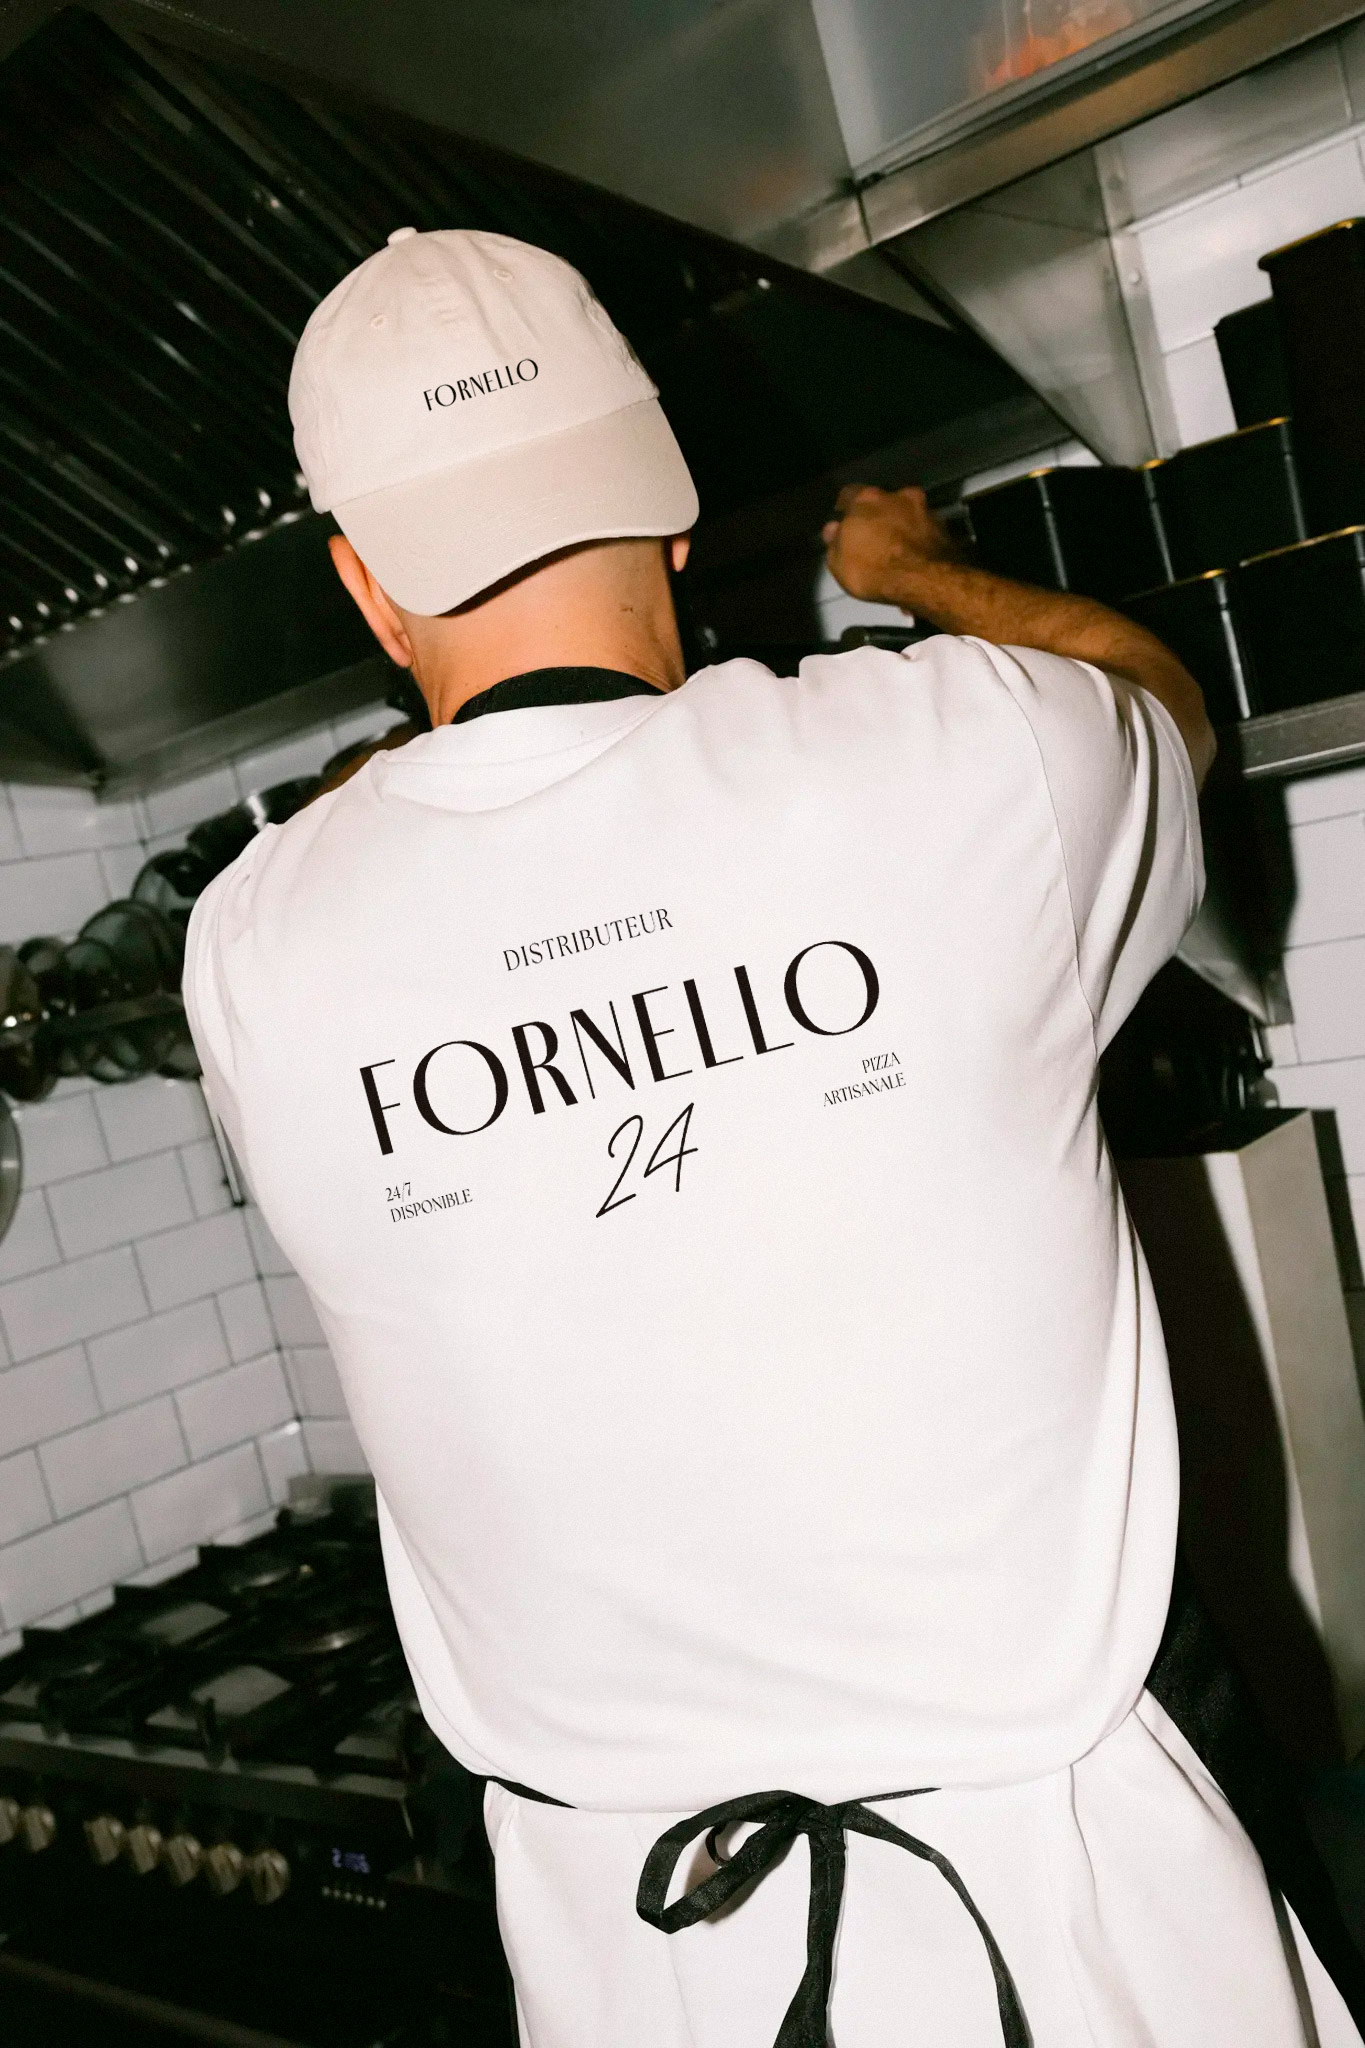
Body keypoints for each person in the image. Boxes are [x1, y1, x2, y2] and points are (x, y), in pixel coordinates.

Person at [183, 226, 1360, 2048]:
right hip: (1068, 1920)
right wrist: (910, 570)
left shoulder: (251, 946)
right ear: (669, 503)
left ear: (363, 585)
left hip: (635, 1962)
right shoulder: (969, 752)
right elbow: (1164, 706)